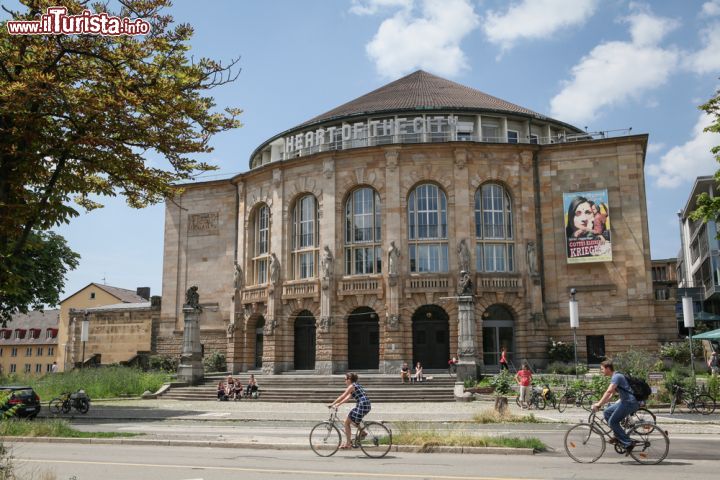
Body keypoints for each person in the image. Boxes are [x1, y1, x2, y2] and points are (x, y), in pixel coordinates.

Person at [592, 360, 639, 454]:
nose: (601, 371)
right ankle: (619, 436)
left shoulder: (616, 377)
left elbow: (609, 391)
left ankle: (628, 443)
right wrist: (601, 404)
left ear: (608, 368)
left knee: (612, 422)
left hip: (629, 402)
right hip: (625, 402)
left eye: (602, 369)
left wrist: (598, 404)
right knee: (607, 412)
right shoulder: (615, 376)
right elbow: (610, 395)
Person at [329, 372, 371, 449]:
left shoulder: (352, 386)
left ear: (349, 380)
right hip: (366, 405)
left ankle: (348, 443)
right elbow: (346, 398)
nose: (344, 381)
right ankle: (363, 433)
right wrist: (338, 405)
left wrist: (332, 404)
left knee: (347, 422)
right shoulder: (356, 385)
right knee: (351, 421)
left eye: (345, 379)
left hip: (362, 405)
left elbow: (343, 396)